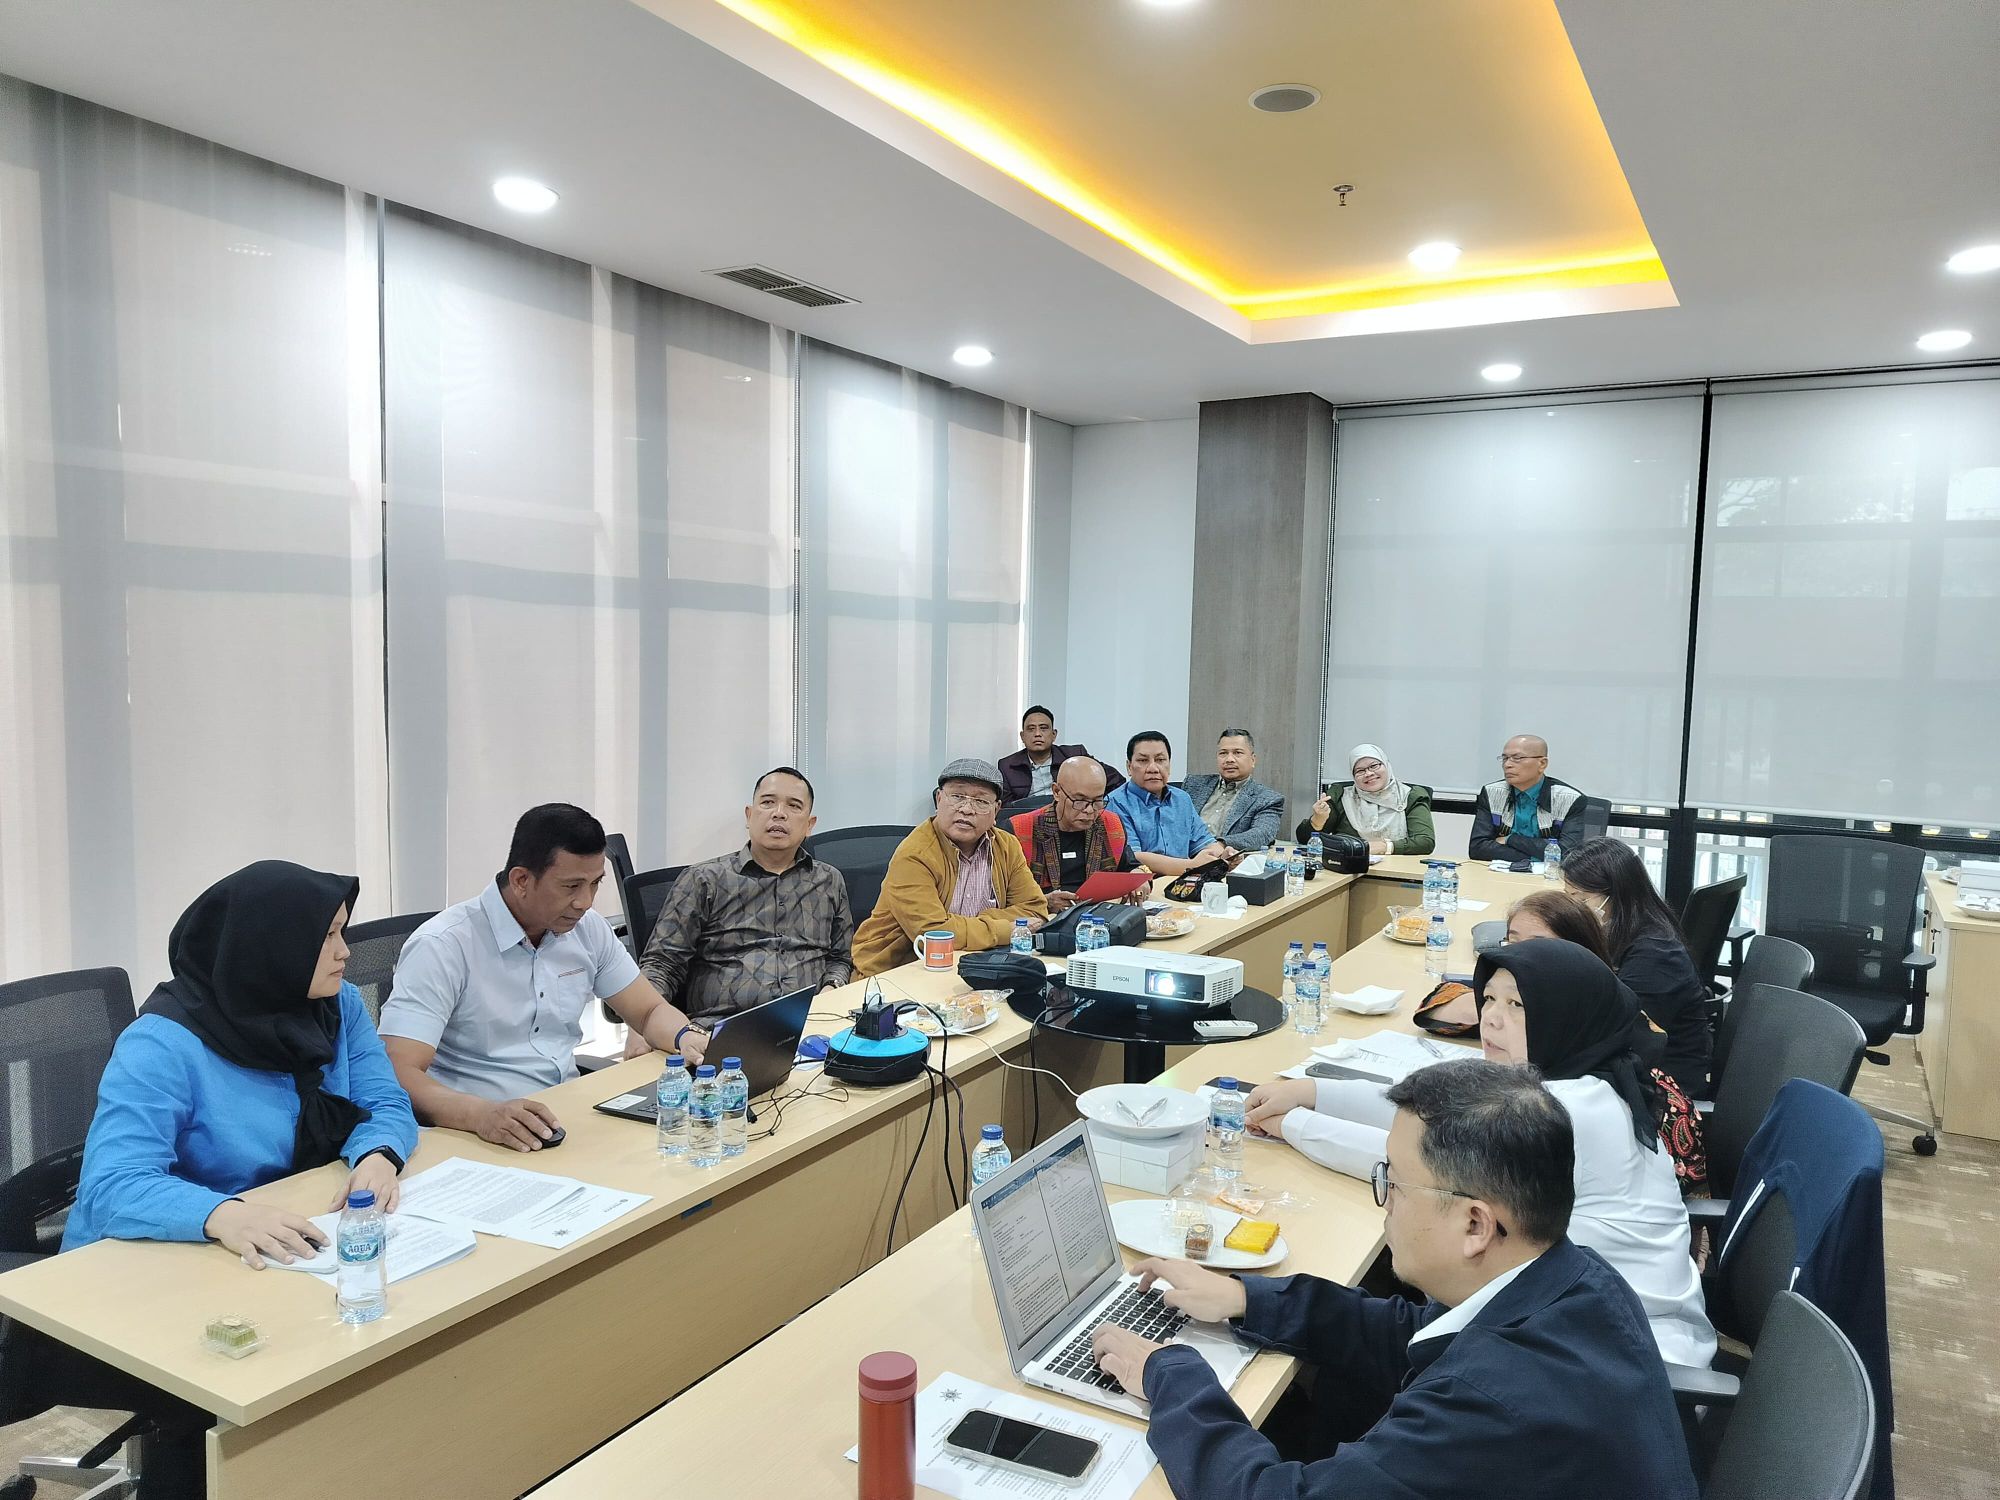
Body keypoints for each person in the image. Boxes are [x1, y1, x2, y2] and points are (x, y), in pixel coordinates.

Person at [1091, 1060, 1697, 1499]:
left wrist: (1171, 1375)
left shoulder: (1487, 1406)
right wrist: (1245, 1297)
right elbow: (1410, 1331)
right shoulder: (1579, 1277)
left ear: (1475, 1224)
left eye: (1395, 1182)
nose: (1383, 1200)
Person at [50, 862, 424, 1499]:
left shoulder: (336, 1008)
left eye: (343, 931)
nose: (346, 952)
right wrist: (225, 1214)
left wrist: (378, 1154)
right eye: (327, 937)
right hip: (148, 1272)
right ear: (270, 947)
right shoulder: (163, 1043)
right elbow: (112, 1185)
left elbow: (385, 1102)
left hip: (280, 1255)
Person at [1243, 938, 1714, 1367]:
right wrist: (1312, 1092)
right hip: (1573, 1323)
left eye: (1517, 1005)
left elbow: (1415, 1162)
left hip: (1627, 1361)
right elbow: (1430, 1116)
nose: (1491, 1018)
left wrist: (1292, 1125)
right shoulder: (1589, 1081)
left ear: (1565, 1016)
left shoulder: (1573, 1111)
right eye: (1488, 998)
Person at [379, 804, 705, 1152]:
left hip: (564, 1119)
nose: (585, 902)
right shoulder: (443, 946)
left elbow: (649, 1011)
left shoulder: (588, 929)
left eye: (595, 884)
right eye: (571, 886)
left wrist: (687, 1037)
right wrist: (480, 1115)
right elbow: (398, 1071)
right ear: (521, 880)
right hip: (474, 1134)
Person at [634, 767, 852, 1042]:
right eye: (768, 802)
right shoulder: (704, 880)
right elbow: (662, 964)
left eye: (794, 806)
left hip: (810, 1028)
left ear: (810, 825)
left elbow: (840, 958)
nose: (779, 813)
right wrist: (640, 1025)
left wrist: (831, 990)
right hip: (718, 1034)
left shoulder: (829, 880)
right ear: (749, 816)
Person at [849, 758, 1049, 977]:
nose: (967, 809)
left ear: (996, 810)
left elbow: (1035, 911)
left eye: (981, 801)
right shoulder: (915, 853)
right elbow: (933, 933)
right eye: (957, 797)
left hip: (978, 966)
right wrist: (1005, 928)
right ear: (939, 799)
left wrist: (972, 923)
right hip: (897, 972)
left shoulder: (1007, 845)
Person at [1562, 837, 1714, 1099]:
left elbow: (1621, 1033)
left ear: (1616, 895)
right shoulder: (1624, 930)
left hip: (1665, 1085)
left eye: (1581, 899)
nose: (1574, 909)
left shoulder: (1657, 955)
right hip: (1632, 1065)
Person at [1009, 755, 1143, 913]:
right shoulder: (1019, 831)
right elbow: (1003, 896)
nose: (1089, 810)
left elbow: (1131, 867)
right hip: (1041, 919)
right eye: (1079, 801)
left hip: (1097, 914)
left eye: (1097, 801)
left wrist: (1138, 877)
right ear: (1056, 792)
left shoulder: (1110, 825)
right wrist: (1044, 902)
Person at [1106, 731, 1235, 877]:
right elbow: (1133, 857)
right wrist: (1192, 865)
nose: (1153, 768)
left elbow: (1204, 842)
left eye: (1160, 760)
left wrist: (1224, 856)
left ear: (1169, 765)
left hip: (1184, 882)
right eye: (1143, 760)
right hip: (1144, 884)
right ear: (1129, 767)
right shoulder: (1115, 802)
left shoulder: (1182, 799)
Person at [1297, 744, 1436, 856]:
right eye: (1360, 771)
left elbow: (1425, 842)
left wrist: (1383, 847)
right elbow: (1305, 839)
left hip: (1397, 870)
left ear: (1386, 765)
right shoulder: (1342, 795)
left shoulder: (1410, 796)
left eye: (1374, 766)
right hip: (1348, 869)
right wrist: (1318, 820)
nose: (1368, 773)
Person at [1468, 734, 1587, 865]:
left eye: (1517, 758)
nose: (1507, 764)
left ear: (1542, 764)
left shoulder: (1569, 799)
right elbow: (1477, 848)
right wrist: (1537, 856)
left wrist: (1510, 839)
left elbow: (1567, 854)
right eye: (1505, 758)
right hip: (1500, 872)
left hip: (1548, 874)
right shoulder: (1492, 793)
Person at [1180, 728, 1285, 852]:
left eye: (1237, 753)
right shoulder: (1194, 784)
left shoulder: (1267, 799)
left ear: (1253, 760)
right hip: (1180, 855)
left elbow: (1262, 834)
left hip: (1223, 858)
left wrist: (1221, 845)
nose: (1229, 759)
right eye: (1223, 753)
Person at [997, 705, 1122, 803]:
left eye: (1043, 728)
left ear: (1054, 735)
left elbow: (1116, 781)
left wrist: (1096, 805)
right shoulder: (1007, 766)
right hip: (1028, 820)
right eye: (1031, 729)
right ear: (1022, 736)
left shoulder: (1075, 756)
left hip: (1069, 818)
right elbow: (1006, 809)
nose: (1037, 734)